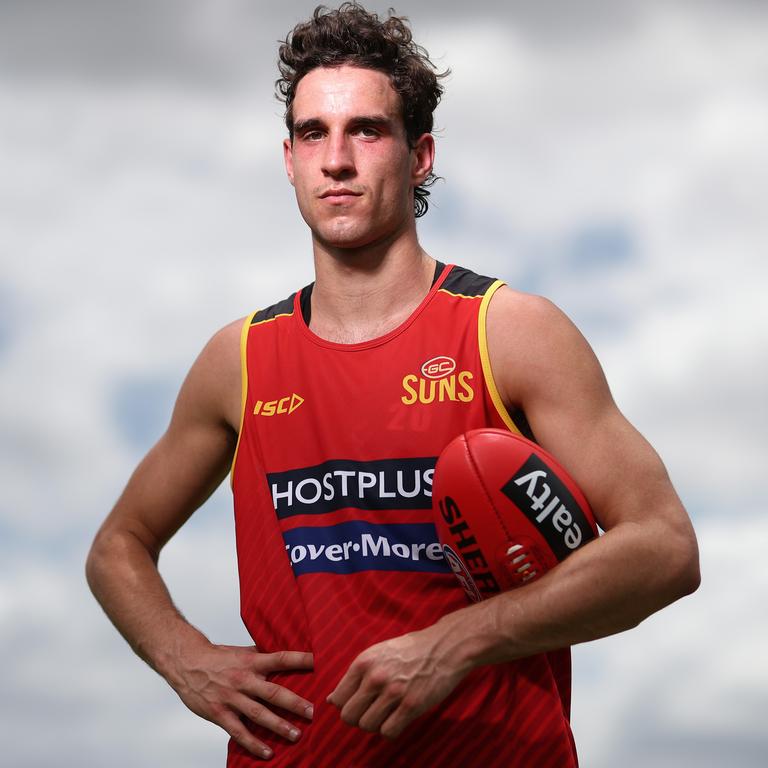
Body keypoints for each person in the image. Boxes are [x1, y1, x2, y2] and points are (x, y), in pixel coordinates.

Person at [86, 4, 700, 766]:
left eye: (366, 131)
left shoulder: (509, 332)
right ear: (289, 159)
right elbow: (118, 546)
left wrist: (462, 640)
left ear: (420, 156)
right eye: (314, 134)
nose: (336, 159)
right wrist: (186, 660)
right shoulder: (238, 360)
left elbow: (665, 547)